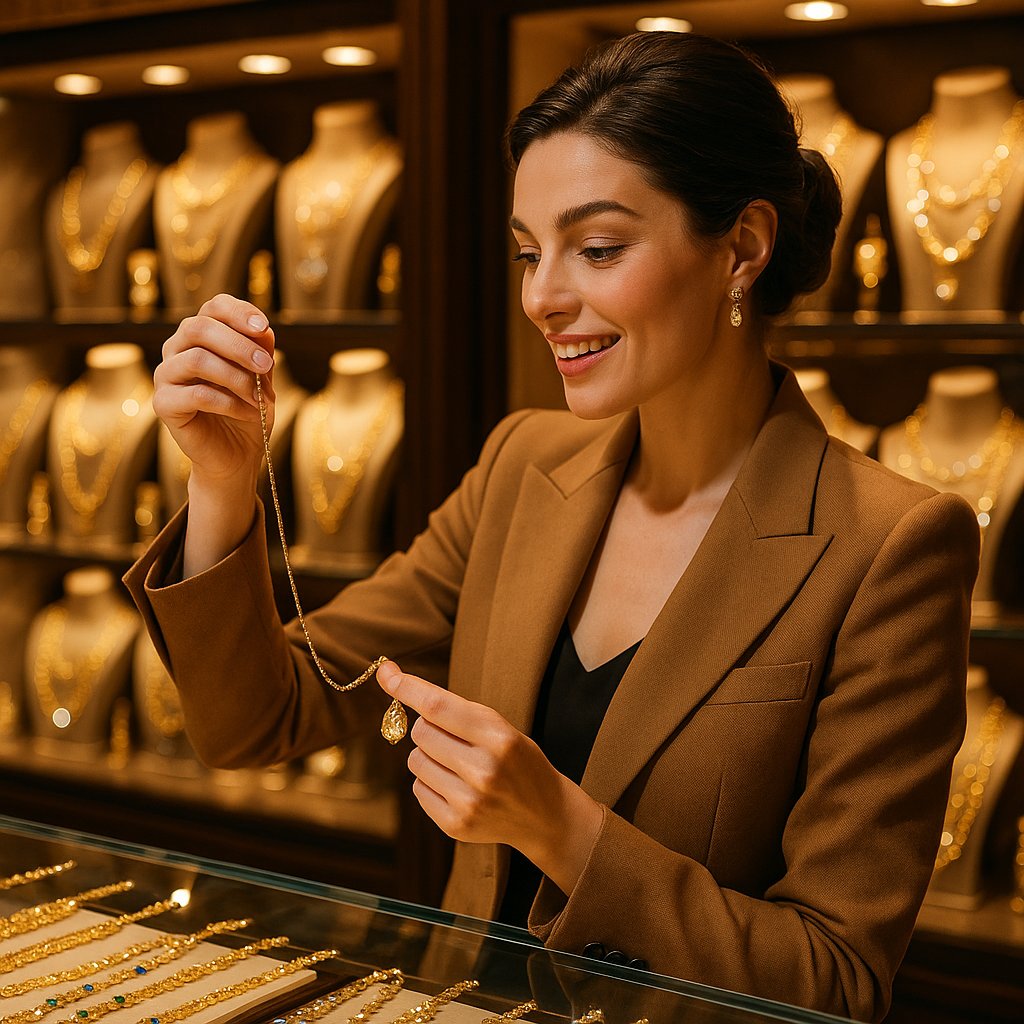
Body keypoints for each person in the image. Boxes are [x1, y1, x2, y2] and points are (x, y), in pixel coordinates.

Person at [125, 32, 979, 1023]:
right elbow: (258, 720)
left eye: (598, 249)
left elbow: (834, 981)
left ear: (742, 247)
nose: (541, 297)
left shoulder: (890, 545)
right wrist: (225, 481)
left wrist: (560, 828)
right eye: (530, 253)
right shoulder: (523, 467)